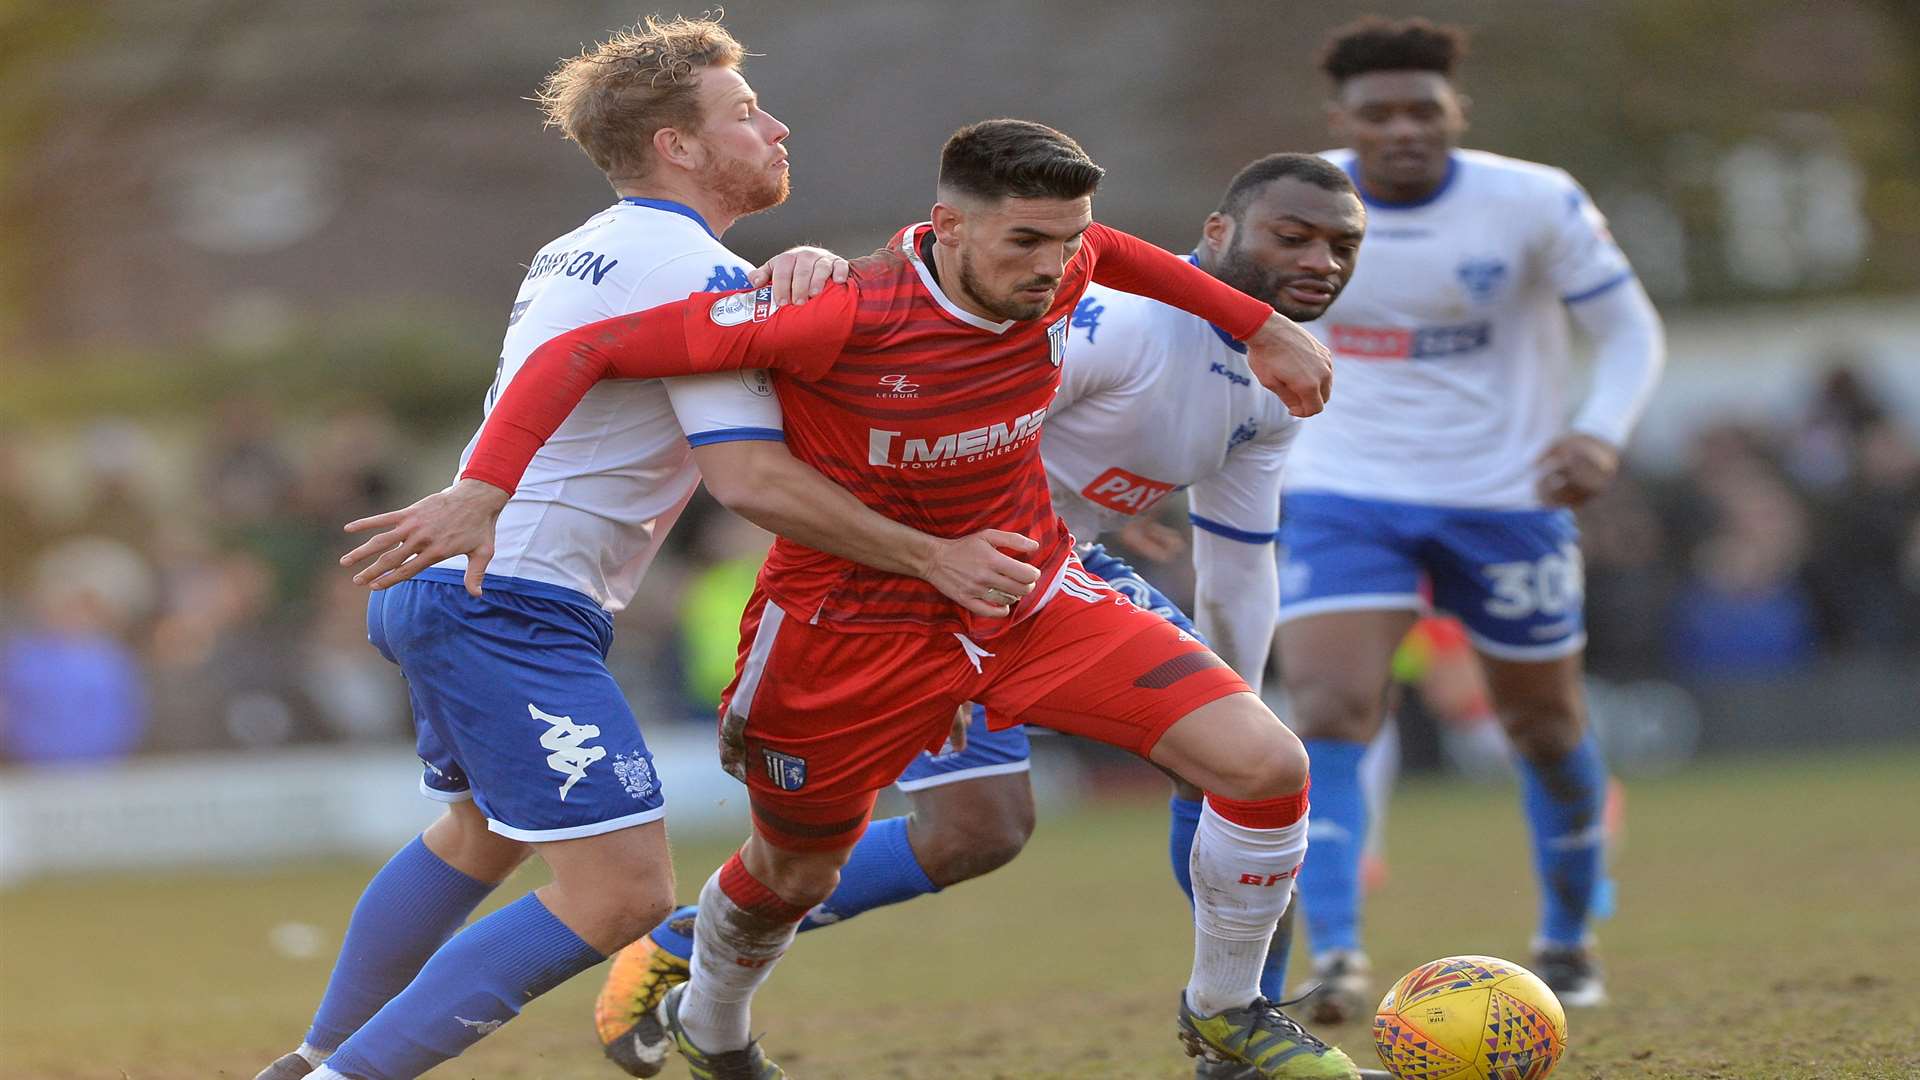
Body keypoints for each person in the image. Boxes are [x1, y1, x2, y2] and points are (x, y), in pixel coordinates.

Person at [455, 121, 1356, 1079]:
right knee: (793, 871)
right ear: (949, 229)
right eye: (1026, 244)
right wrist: (481, 489)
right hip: (844, 628)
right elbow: (582, 352)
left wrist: (1258, 327)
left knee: (1262, 764)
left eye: (1067, 241)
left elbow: (1122, 250)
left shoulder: (1069, 261)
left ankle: (1226, 1011)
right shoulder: (835, 312)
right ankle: (713, 1022)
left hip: (1029, 590)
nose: (1055, 269)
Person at [252, 18, 1040, 1080]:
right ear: (679, 145)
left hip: (461, 583)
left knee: (478, 838)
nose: (776, 126)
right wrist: (931, 560)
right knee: (622, 897)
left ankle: (312, 1057)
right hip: (511, 599)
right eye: (745, 113)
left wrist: (791, 273)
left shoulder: (596, 242)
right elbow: (750, 480)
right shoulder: (690, 272)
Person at [1272, 16, 1666, 1022]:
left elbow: (1627, 330)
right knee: (1326, 708)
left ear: (1457, 113)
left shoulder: (1532, 200)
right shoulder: (1289, 197)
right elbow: (1201, 308)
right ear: (1340, 122)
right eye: (1378, 114)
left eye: (1423, 110)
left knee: (1543, 724)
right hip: (1341, 490)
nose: (1403, 129)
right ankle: (1339, 955)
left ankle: (1570, 935)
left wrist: (1600, 434)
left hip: (1509, 497)